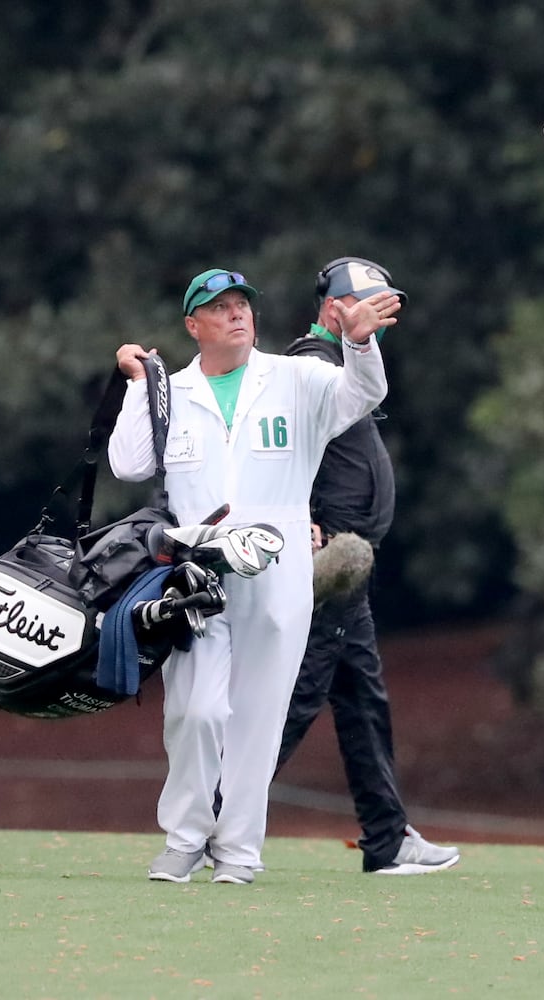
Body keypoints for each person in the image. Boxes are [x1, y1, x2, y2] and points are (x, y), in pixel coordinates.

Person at [109, 267, 394, 885]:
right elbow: (129, 463)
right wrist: (141, 384)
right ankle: (184, 836)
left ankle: (237, 850)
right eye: (220, 308)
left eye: (243, 305)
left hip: (280, 559)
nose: (237, 314)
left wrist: (361, 343)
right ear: (194, 325)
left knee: (259, 715)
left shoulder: (295, 377)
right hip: (198, 567)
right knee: (196, 709)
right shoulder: (173, 390)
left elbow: (361, 395)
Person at [273, 256, 460, 876]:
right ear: (333, 310)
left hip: (350, 563)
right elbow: (283, 458)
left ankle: (387, 838)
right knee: (299, 696)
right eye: (366, 305)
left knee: (360, 698)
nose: (380, 317)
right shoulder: (308, 364)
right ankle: (216, 818)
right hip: (329, 561)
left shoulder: (345, 362)